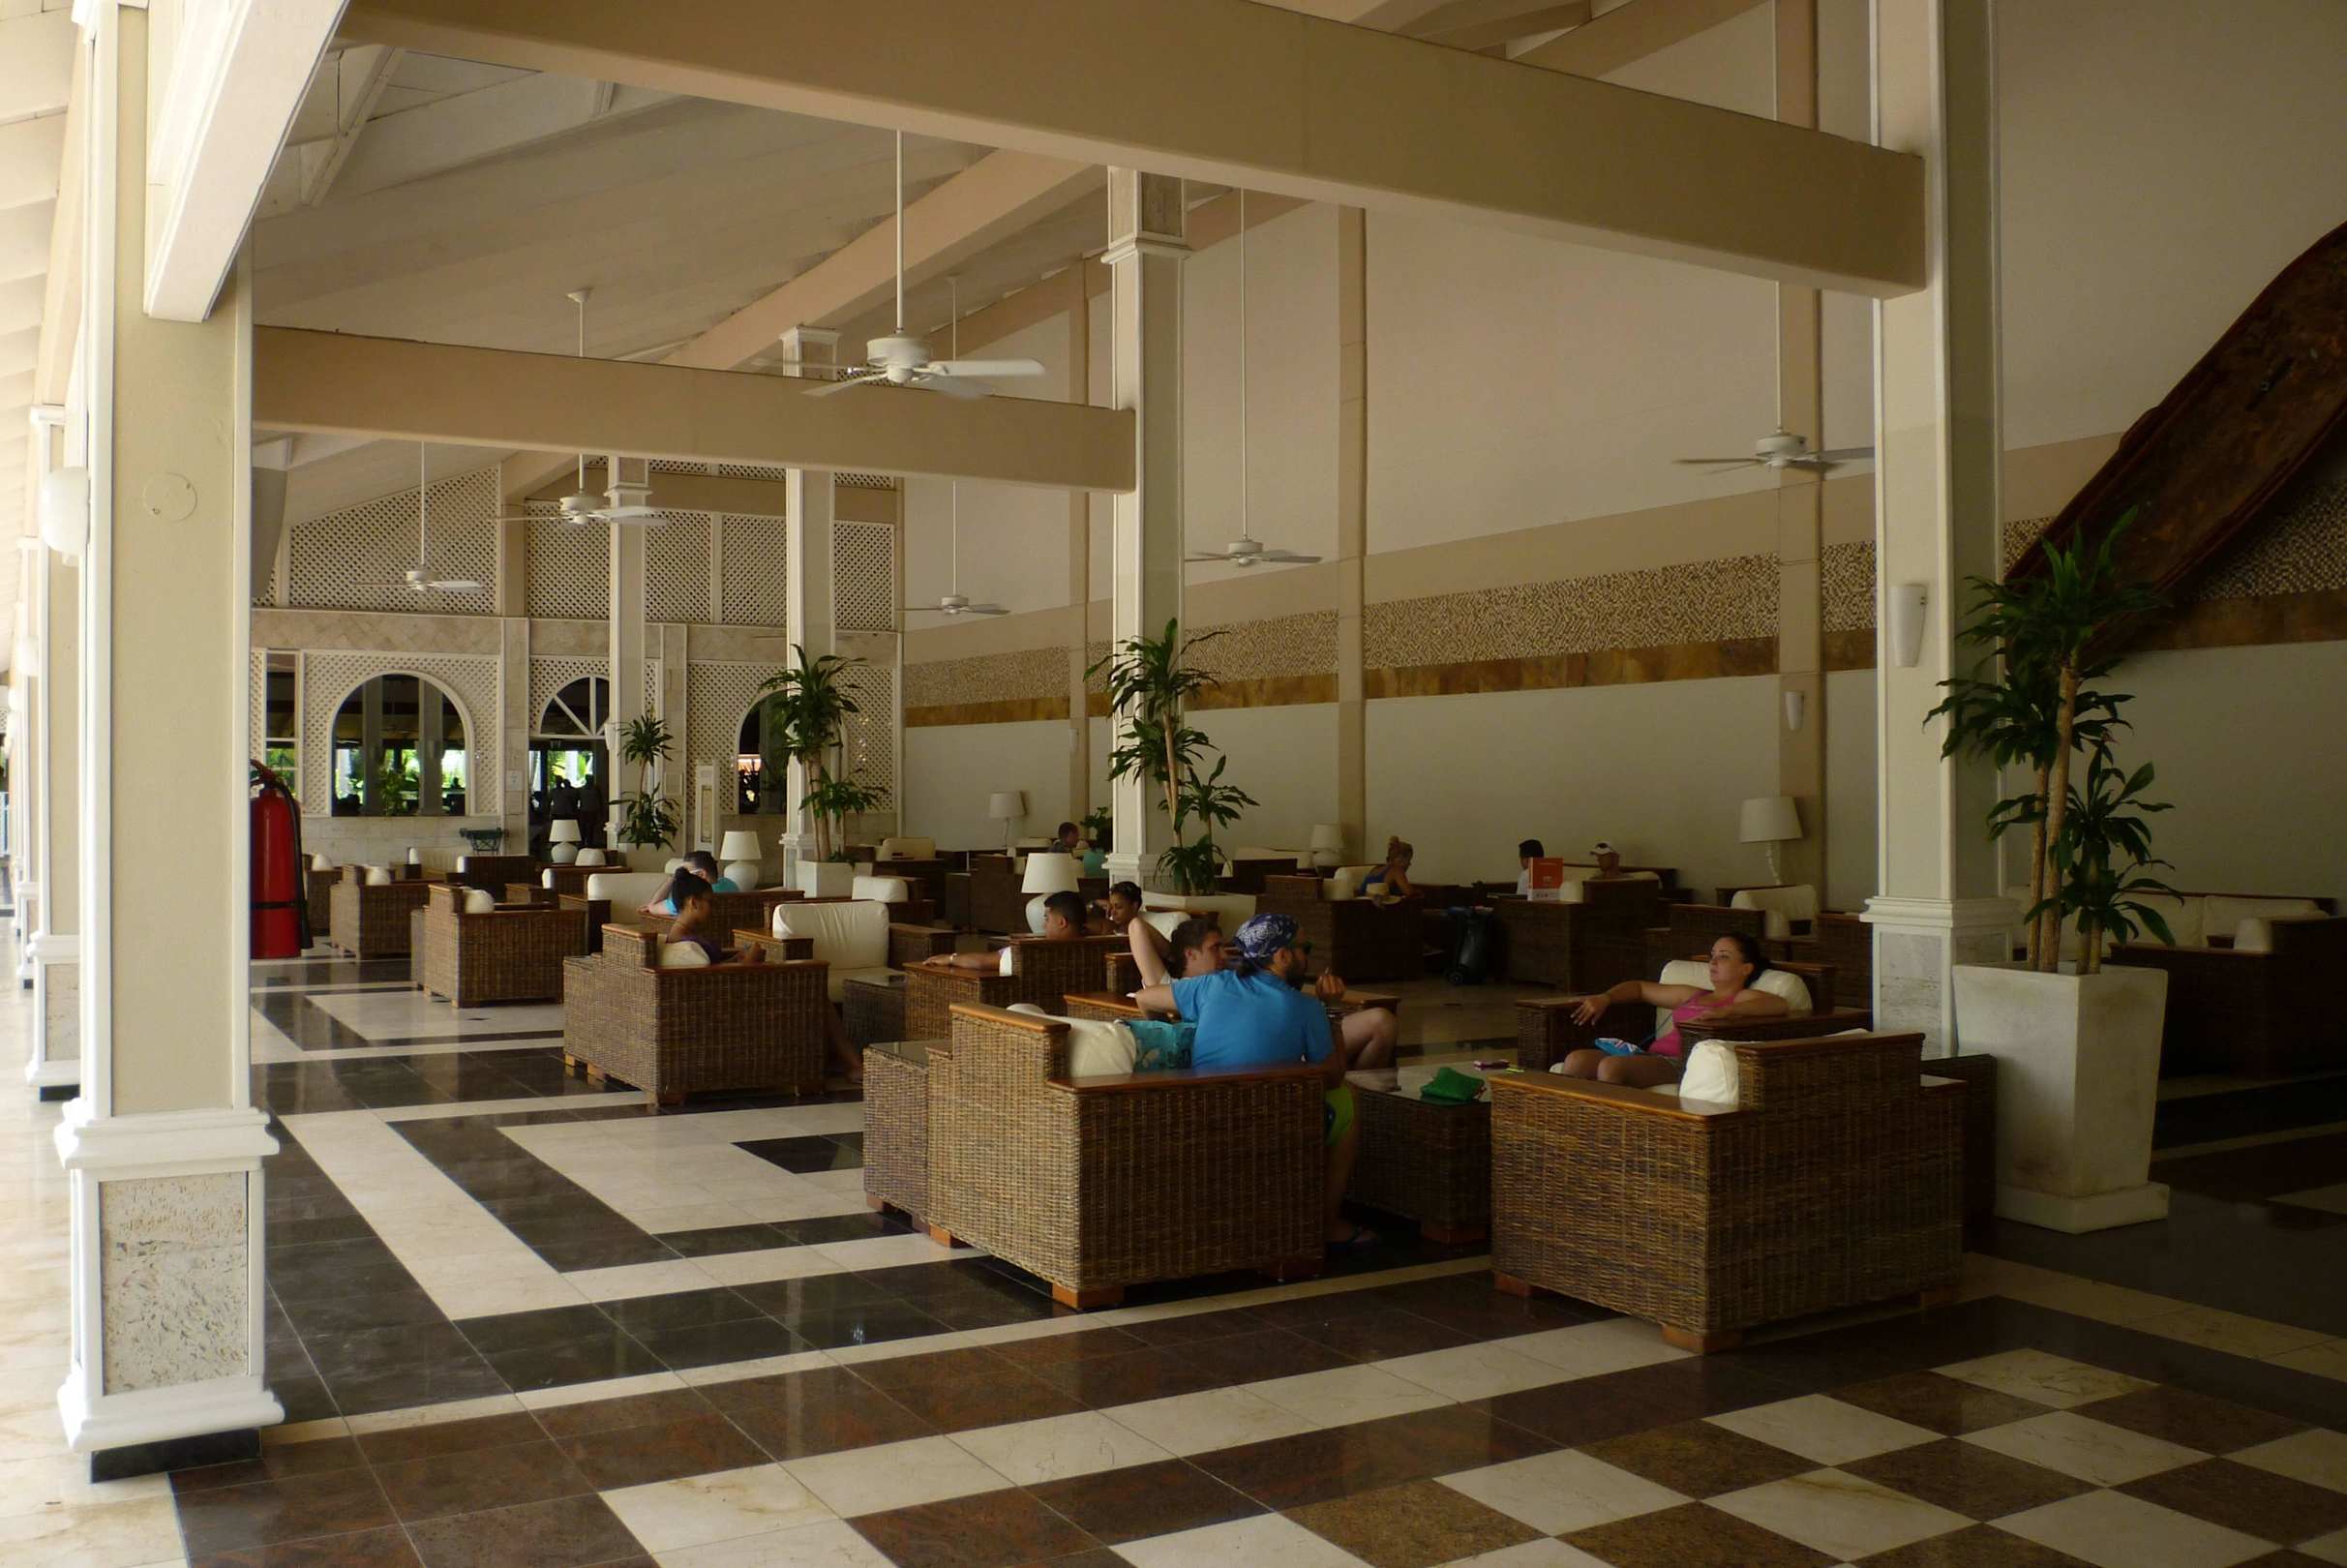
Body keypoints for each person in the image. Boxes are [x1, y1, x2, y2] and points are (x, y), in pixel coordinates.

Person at [1134, 914, 1369, 1249]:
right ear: (1282, 956)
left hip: (1200, 1116)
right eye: (1305, 948)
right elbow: (1332, 1078)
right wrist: (1331, 1011)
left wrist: (1175, 1034)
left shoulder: (1211, 985)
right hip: (1268, 1123)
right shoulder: (1307, 1008)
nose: (1309, 956)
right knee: (1349, 1097)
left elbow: (1144, 998)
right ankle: (1327, 1222)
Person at [1556, 932, 1789, 1088]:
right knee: (1577, 1060)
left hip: (1680, 1062)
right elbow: (1639, 988)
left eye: (1724, 957)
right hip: (1649, 1057)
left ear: (1746, 968)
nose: (1713, 962)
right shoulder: (1695, 994)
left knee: (1611, 1066)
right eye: (1712, 956)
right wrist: (1606, 997)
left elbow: (1778, 1004)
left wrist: (1725, 1012)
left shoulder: (1740, 997)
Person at [939, 890, 1087, 970]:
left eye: (1046, 919)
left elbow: (982, 962)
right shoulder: (1092, 947)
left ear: (1061, 922)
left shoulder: (1034, 951)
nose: (1044, 926)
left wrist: (951, 959)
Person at [661, 872, 761, 967]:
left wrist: (736, 958)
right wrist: (748, 962)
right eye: (710, 902)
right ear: (694, 903)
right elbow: (713, 974)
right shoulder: (688, 946)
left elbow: (714, 967)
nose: (713, 908)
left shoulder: (680, 935)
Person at [1129, 915, 1224, 987]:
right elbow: (1136, 925)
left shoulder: (1226, 977)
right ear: (1190, 954)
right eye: (1215, 948)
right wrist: (1173, 954)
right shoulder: (1172, 989)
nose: (1225, 955)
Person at [640, 850, 737, 918]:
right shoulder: (730, 885)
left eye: (685, 873)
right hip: (731, 938)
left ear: (701, 874)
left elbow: (653, 907)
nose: (682, 876)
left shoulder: (692, 897)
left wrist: (672, 878)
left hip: (694, 939)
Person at [1361, 836, 1418, 900]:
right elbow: (1409, 892)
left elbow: (1362, 890)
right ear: (1401, 859)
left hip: (1360, 903)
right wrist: (1417, 892)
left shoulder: (1376, 868)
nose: (1409, 864)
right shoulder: (1397, 871)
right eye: (1409, 860)